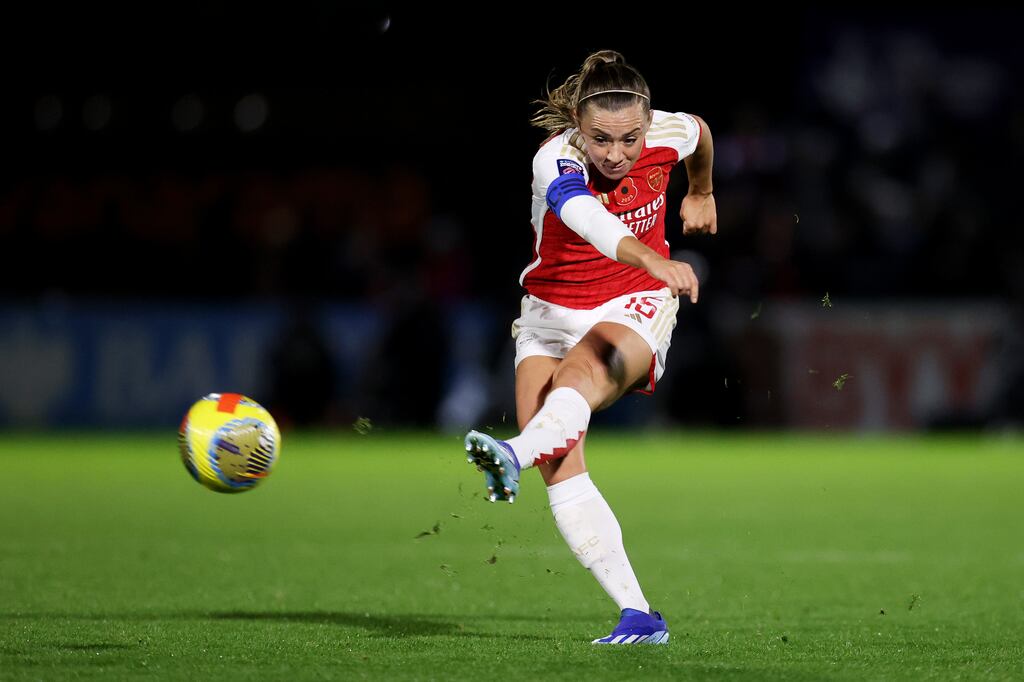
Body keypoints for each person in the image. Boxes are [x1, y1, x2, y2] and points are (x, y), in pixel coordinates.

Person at [463, 49, 716, 645]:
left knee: (577, 378)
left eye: (630, 139)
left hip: (635, 301)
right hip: (549, 313)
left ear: (647, 123)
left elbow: (701, 133)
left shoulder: (666, 132)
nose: (616, 153)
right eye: (600, 138)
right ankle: (639, 615)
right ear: (578, 123)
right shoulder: (554, 159)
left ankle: (512, 455)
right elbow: (587, 220)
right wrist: (657, 254)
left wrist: (700, 189)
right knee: (561, 462)